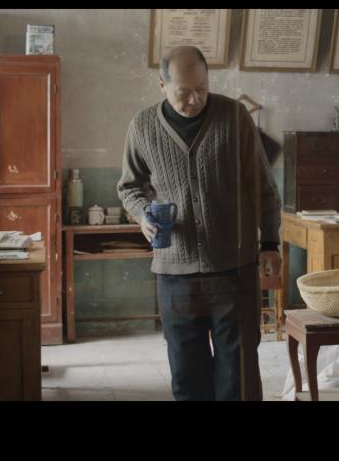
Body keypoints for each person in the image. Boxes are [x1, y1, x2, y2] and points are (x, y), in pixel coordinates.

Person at [117, 46, 281, 401]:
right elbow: (129, 187)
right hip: (174, 273)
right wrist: (142, 213)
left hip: (234, 268)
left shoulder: (234, 116)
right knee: (187, 374)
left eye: (202, 89)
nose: (194, 99)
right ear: (162, 85)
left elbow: (262, 186)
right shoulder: (143, 126)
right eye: (184, 92)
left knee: (238, 374)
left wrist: (270, 243)